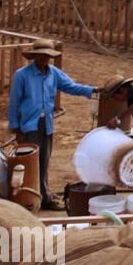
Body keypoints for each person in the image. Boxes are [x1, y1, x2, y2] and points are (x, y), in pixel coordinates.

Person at [8, 40, 98, 209]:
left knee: (44, 160)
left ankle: (44, 193)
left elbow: (70, 86)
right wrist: (16, 128)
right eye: (41, 56)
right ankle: (35, 197)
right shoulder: (22, 75)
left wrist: (92, 90)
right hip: (29, 125)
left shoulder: (53, 73)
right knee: (30, 162)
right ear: (35, 57)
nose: (44, 59)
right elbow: (14, 102)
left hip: (47, 123)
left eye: (47, 56)